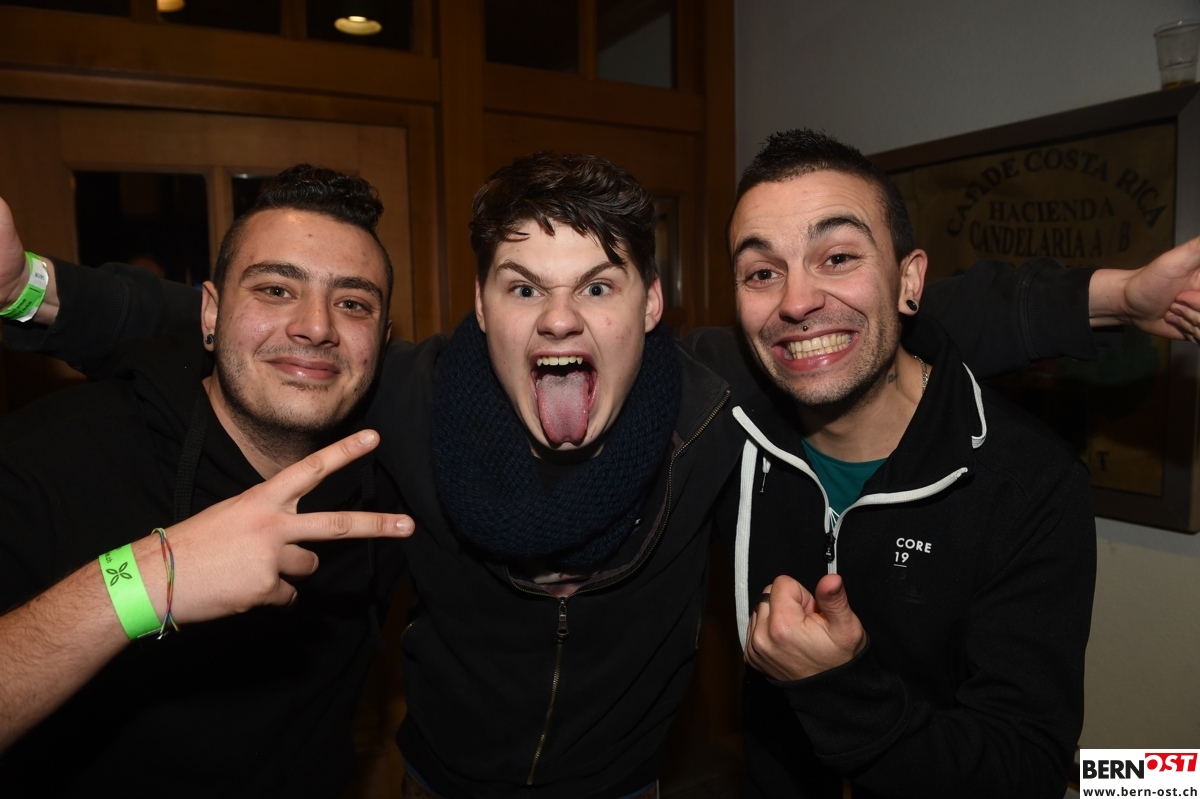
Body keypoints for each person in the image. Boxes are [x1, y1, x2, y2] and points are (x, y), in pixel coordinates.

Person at [3, 151, 1199, 797]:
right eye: (523, 286)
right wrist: (30, 292)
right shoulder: (405, 396)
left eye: (599, 285)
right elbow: (249, 330)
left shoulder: (718, 399)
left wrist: (1115, 297)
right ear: (481, 308)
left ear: (654, 306)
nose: (561, 317)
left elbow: (886, 317)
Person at [698, 128, 1097, 798]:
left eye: (837, 257)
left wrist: (838, 688)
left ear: (909, 281)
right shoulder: (724, 434)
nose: (796, 301)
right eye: (762, 272)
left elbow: (1028, 766)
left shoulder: (1028, 481)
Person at [0, 165, 415, 796]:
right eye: (275, 289)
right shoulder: (54, 457)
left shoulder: (389, 477)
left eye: (352, 303)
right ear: (211, 314)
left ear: (381, 343)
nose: (316, 326)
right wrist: (148, 578)